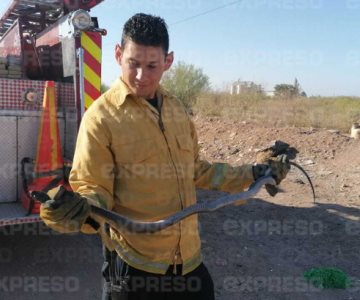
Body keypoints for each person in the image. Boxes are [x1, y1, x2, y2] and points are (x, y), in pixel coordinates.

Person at [40, 13, 290, 300]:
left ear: (168, 62)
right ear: (118, 55)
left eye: (152, 66)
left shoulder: (176, 109)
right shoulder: (100, 119)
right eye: (133, 63)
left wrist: (254, 174)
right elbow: (93, 189)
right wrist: (77, 210)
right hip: (135, 272)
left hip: (189, 264)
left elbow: (197, 170)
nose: (141, 76)